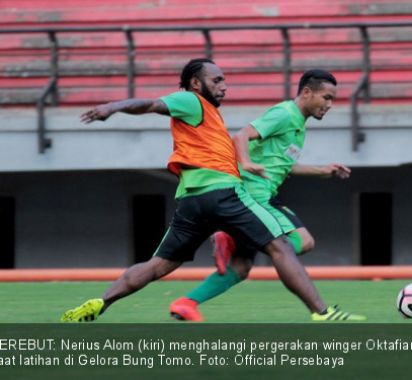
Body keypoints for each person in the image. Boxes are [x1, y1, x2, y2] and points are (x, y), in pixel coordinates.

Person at [60, 59, 365, 322]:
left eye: (224, 81)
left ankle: (102, 302)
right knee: (281, 246)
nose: (224, 86)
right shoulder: (191, 101)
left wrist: (320, 169)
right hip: (224, 193)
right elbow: (151, 104)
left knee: (159, 265)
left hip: (192, 200)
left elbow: (273, 160)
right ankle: (322, 311)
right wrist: (113, 107)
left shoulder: (207, 113)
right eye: (217, 80)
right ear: (195, 83)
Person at [177, 69, 353, 322]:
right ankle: (321, 312)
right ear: (306, 93)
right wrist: (246, 163)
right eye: (326, 97)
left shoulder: (298, 125)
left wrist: (322, 170)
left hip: (261, 193)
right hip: (254, 195)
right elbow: (241, 136)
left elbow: (282, 165)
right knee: (302, 241)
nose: (329, 105)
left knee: (241, 267)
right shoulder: (284, 114)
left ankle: (186, 303)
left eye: (332, 99)